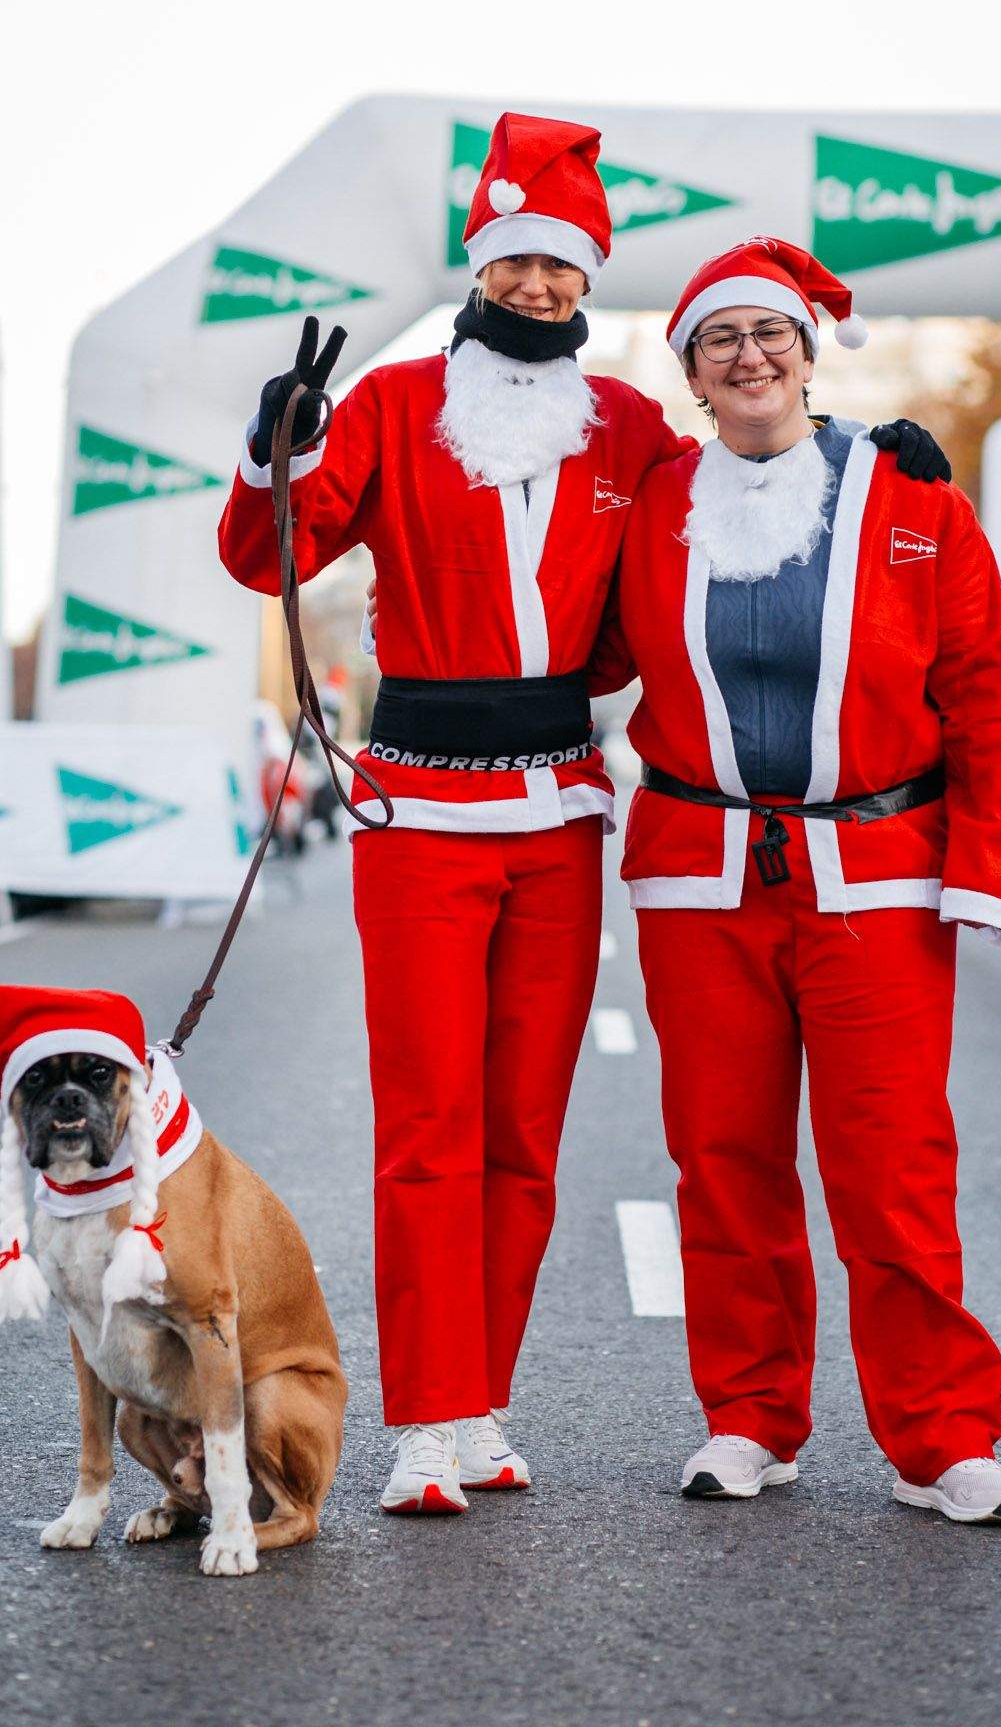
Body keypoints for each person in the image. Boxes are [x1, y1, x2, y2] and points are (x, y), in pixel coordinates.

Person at [217, 123, 944, 1516]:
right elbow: (267, 556)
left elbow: (745, 491)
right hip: (418, 814)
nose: (542, 285)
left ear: (587, 280)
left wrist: (867, 464)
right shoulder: (384, 404)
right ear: (480, 271)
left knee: (521, 1143)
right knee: (427, 1130)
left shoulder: (630, 430)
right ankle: (425, 1424)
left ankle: (481, 1405)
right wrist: (276, 452)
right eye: (518, 263)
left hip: (559, 818)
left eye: (564, 267)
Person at [595, 236, 1001, 1524]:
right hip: (702, 878)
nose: (747, 357)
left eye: (768, 335)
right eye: (718, 342)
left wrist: (985, 873)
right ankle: (749, 1419)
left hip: (879, 878)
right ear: (690, 374)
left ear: (806, 352)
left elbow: (985, 701)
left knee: (892, 1168)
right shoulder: (656, 505)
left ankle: (943, 1437)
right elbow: (579, 634)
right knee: (723, 1161)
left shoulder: (915, 505)